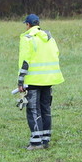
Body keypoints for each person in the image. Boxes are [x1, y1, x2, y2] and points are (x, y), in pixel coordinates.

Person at [17, 14, 64, 149]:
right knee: (45, 109)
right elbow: (56, 54)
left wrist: (20, 81)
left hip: (33, 80)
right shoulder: (49, 38)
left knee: (33, 110)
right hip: (49, 79)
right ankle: (45, 139)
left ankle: (36, 142)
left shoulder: (28, 38)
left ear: (27, 25)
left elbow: (25, 61)